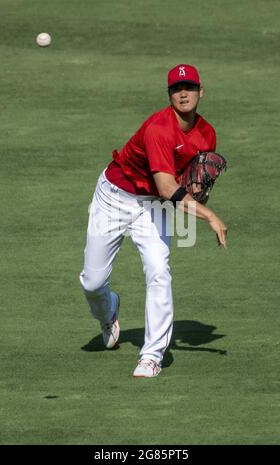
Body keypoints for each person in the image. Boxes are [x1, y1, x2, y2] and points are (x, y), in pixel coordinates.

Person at [79, 64, 227, 378]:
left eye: (189, 87)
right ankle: (109, 311)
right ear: (169, 94)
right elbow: (167, 186)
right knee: (92, 282)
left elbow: (192, 187)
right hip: (115, 196)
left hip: (155, 207)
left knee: (159, 271)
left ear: (201, 92)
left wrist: (200, 198)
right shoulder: (159, 128)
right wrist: (209, 216)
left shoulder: (207, 134)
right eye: (176, 88)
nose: (183, 93)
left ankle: (152, 355)